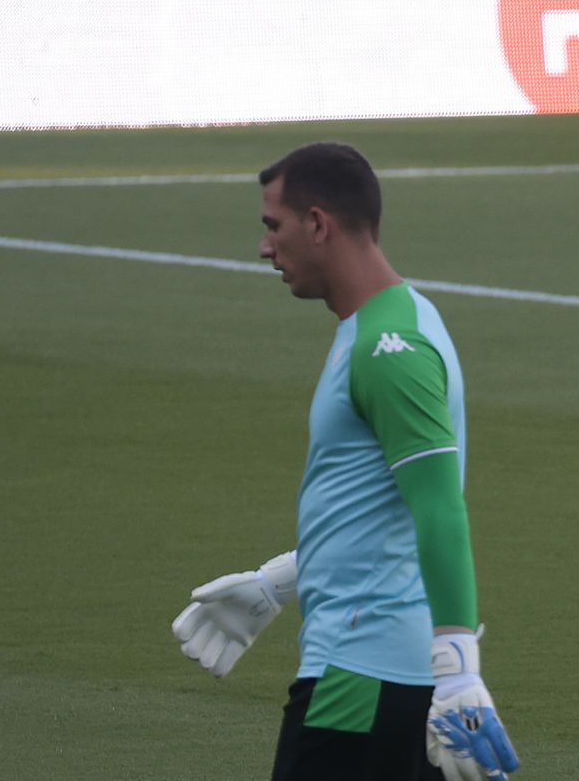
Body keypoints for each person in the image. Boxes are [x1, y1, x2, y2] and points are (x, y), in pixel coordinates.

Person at [170, 142, 519, 781]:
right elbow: (380, 512)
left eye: (273, 226)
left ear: (318, 224)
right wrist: (280, 582)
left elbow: (438, 508)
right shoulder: (382, 326)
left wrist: (458, 668)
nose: (264, 248)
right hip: (379, 671)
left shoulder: (390, 349)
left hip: (362, 675)